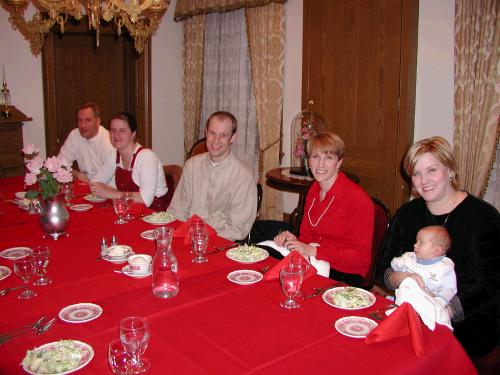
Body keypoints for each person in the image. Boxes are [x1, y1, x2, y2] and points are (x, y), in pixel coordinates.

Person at [377, 136, 500, 359]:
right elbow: (382, 269)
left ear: (450, 170)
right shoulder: (407, 215)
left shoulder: (484, 217)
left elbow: (491, 284)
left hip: (466, 322)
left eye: (432, 170)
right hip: (410, 315)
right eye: (417, 173)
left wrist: (440, 312)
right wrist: (400, 278)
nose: (424, 180)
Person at [274, 132, 374, 286]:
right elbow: (306, 237)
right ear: (308, 161)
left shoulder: (358, 199)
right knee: (269, 258)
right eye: (315, 157)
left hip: (345, 272)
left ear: (339, 162)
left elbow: (361, 257)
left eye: (328, 157)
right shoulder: (314, 190)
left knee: (287, 279)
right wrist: (294, 241)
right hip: (315, 260)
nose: (320, 164)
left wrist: (312, 251)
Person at [168, 111, 257, 241]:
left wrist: (201, 237)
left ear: (232, 138)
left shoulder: (243, 174)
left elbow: (237, 229)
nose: (216, 140)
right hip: (186, 239)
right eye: (212, 133)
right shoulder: (192, 165)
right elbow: (177, 211)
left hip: (221, 243)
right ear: (206, 132)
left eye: (223, 135)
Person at [90, 112, 168, 211]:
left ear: (133, 134)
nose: (116, 135)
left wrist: (110, 193)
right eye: (113, 130)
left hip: (154, 215)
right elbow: (95, 184)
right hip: (130, 209)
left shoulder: (146, 157)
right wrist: (110, 192)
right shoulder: (115, 154)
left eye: (122, 131)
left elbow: (145, 199)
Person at [390, 225, 456, 307]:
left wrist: (441, 300)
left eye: (420, 243)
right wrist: (397, 263)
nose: (415, 245)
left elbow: (449, 290)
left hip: (428, 303)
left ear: (436, 250)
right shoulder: (410, 257)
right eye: (416, 242)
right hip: (404, 299)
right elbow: (396, 268)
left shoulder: (444, 268)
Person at [58, 102, 115, 183]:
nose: (83, 125)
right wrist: (77, 174)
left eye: (88, 120)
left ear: (98, 121)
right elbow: (58, 164)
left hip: (108, 187)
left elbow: (106, 178)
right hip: (87, 186)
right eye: (80, 120)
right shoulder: (75, 135)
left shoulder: (109, 141)